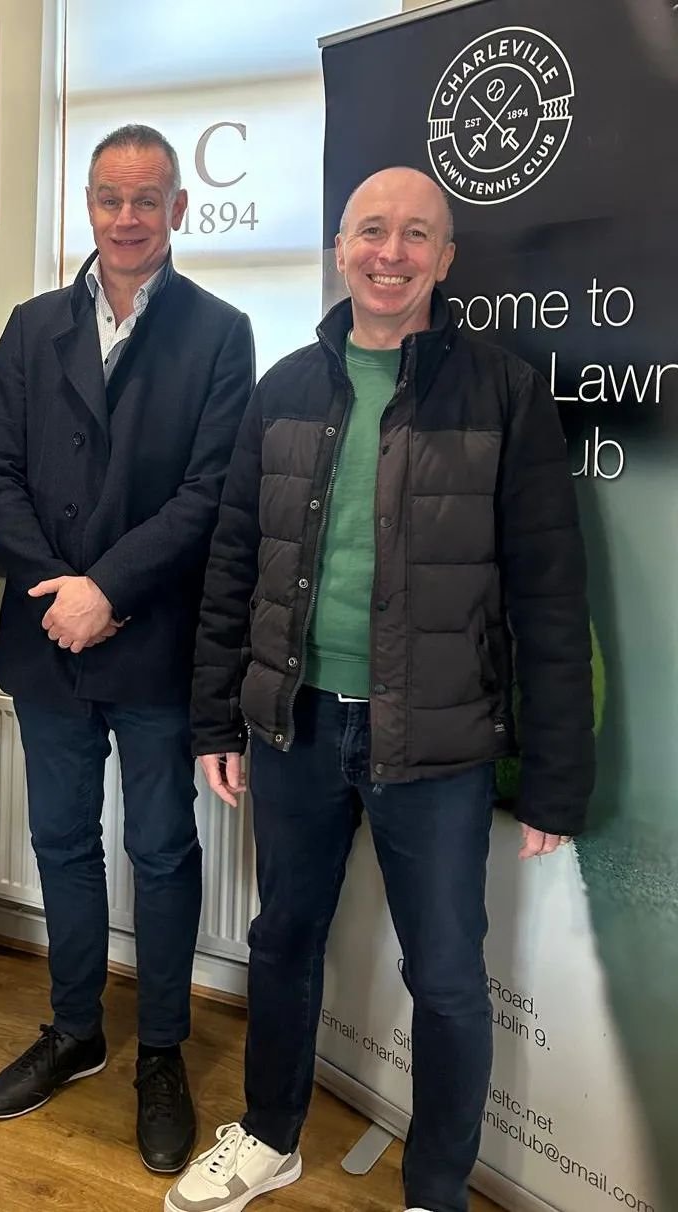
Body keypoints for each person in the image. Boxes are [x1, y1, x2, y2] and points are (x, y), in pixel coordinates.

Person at [169, 166, 594, 1212]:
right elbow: (234, 563)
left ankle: (434, 1192)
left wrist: (555, 775)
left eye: (415, 235)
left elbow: (548, 587)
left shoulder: (502, 391)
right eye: (370, 230)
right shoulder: (286, 387)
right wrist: (218, 714)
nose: (389, 252)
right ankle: (270, 1136)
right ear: (340, 247)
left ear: (446, 259)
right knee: (282, 940)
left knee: (447, 980)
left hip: (436, 743)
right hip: (294, 728)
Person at [0, 124, 255, 1173]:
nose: (127, 218)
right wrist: (60, 591)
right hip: (50, 643)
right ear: (86, 207)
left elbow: (210, 494)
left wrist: (109, 591)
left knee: (162, 850)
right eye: (108, 199)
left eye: (147, 200)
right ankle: (78, 1028)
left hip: (151, 646)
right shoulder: (30, 324)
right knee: (59, 844)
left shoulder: (222, 334)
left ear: (178, 210)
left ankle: (164, 1053)